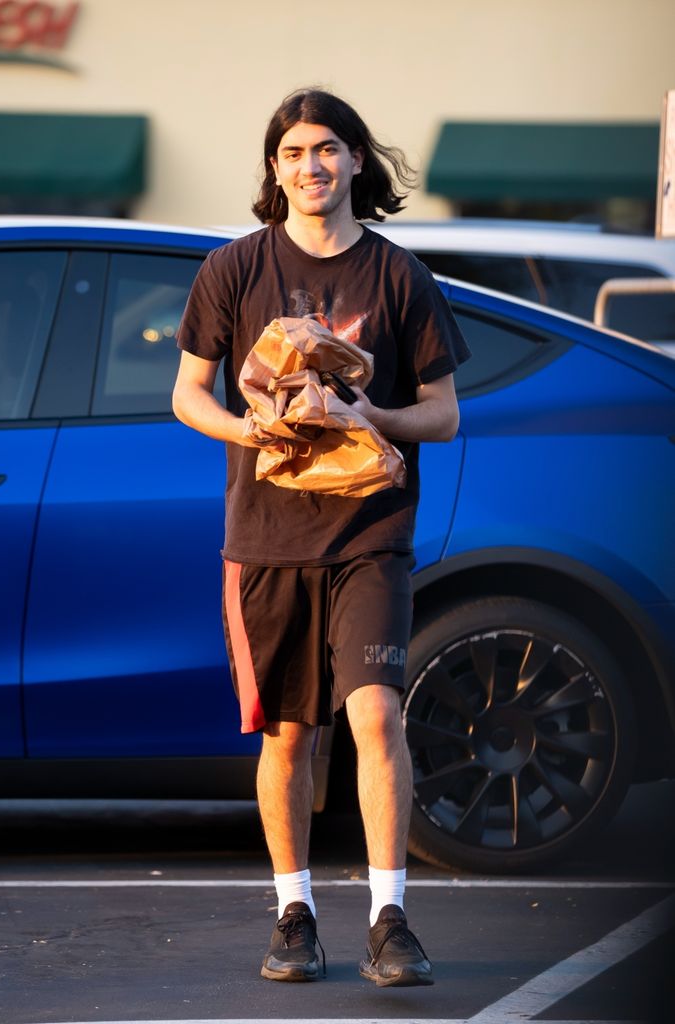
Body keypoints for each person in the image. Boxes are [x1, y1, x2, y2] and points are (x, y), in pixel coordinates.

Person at [172, 87, 470, 987]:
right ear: (275, 168)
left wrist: (365, 410)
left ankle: (390, 919)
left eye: (329, 149)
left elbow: (444, 417)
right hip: (265, 537)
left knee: (374, 713)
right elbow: (188, 395)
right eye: (296, 151)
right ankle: (293, 913)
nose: (313, 166)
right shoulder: (231, 269)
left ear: (354, 163)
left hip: (369, 532)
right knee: (290, 737)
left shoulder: (396, 276)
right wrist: (249, 430)